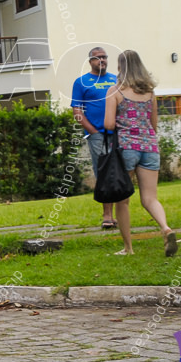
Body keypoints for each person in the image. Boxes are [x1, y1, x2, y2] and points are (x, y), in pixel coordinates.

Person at [103, 49, 177, 257]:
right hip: (150, 147)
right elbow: (154, 125)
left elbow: (108, 124)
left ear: (120, 68)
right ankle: (166, 229)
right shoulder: (150, 93)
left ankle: (128, 248)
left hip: (126, 148)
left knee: (123, 200)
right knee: (150, 199)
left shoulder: (114, 91)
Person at [71, 46, 120, 229]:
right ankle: (107, 215)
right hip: (97, 135)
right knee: (103, 173)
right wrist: (92, 131)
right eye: (98, 58)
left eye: (105, 57)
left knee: (117, 173)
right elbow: (77, 110)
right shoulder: (82, 82)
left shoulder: (116, 80)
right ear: (90, 61)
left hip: (117, 133)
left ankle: (119, 214)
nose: (102, 60)